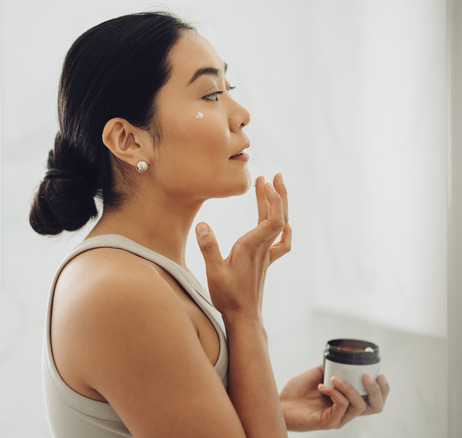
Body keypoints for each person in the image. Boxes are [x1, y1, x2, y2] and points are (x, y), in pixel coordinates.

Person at [30, 11, 390, 437]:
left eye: (228, 89)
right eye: (211, 94)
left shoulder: (141, 272)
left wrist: (274, 408)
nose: (241, 114)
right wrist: (244, 316)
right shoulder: (121, 290)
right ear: (128, 141)